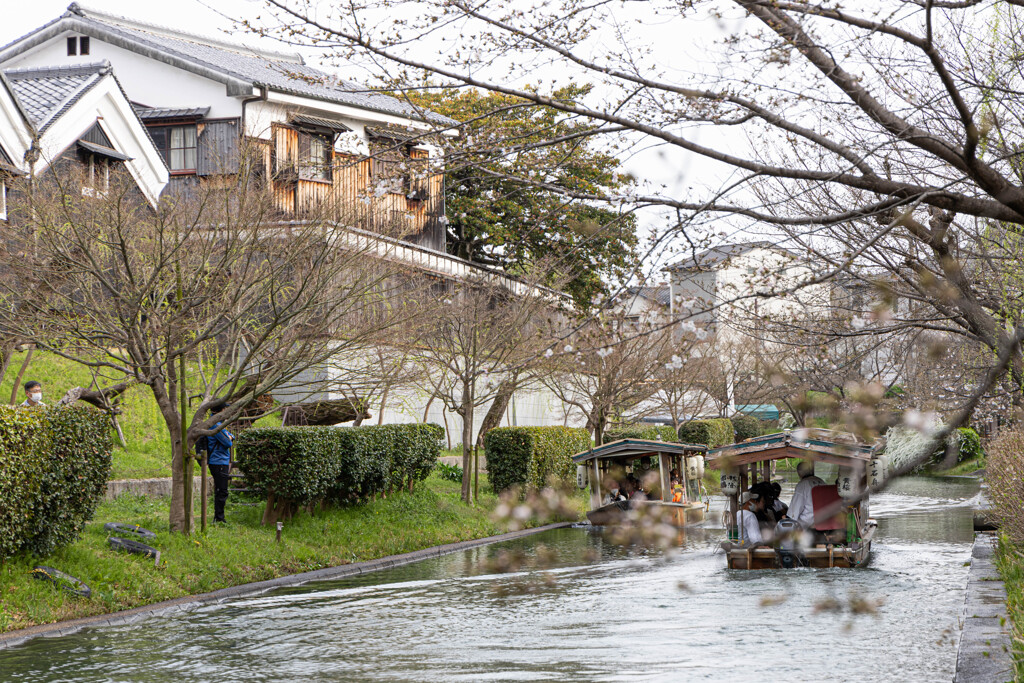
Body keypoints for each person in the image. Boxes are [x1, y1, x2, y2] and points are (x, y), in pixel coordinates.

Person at [198, 415, 234, 524]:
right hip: (219, 462)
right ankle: (219, 518)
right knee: (222, 491)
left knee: (220, 490)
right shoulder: (216, 426)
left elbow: (231, 436)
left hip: (218, 462)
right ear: (222, 411)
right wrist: (229, 437)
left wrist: (229, 436)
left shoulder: (216, 425)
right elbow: (228, 442)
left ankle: (218, 517)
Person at [787, 461, 825, 529]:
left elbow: (794, 511)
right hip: (823, 520)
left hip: (807, 524)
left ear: (799, 473)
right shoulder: (821, 481)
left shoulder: (803, 484)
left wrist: (787, 518)